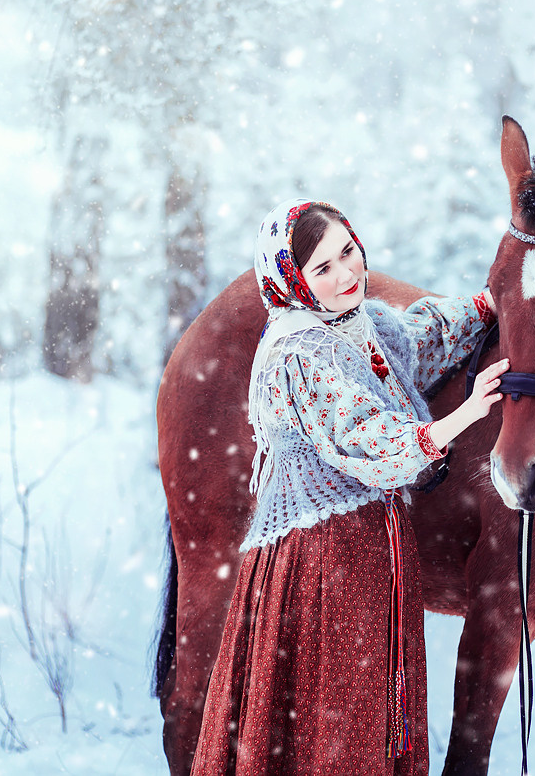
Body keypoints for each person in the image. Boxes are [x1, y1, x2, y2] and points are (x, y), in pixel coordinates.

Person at [190, 199, 506, 775]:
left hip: (373, 555)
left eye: (347, 252)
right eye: (323, 269)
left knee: (370, 722)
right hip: (322, 565)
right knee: (331, 727)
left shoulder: (363, 325)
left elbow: (425, 336)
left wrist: (493, 302)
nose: (346, 274)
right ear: (293, 283)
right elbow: (369, 440)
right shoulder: (298, 354)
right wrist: (465, 415)